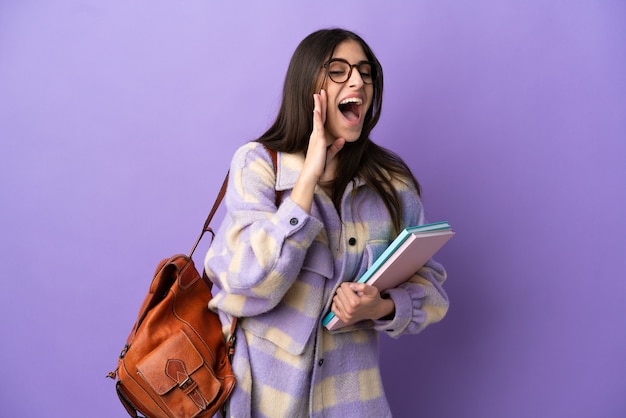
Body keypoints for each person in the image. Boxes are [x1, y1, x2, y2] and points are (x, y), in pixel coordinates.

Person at [204, 28, 449, 417]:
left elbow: (432, 292)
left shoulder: (392, 184)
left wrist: (380, 308)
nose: (357, 80)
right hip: (261, 402)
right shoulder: (258, 165)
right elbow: (250, 278)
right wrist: (307, 180)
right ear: (308, 86)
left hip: (354, 404)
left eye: (365, 72)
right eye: (339, 70)